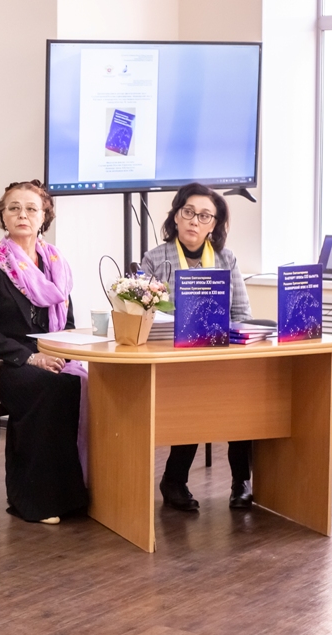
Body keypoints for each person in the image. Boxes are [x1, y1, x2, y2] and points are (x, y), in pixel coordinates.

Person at [0, 180, 88, 525]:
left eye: (31, 208)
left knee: (81, 382)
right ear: (2, 215)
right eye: (13, 208)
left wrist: (65, 355)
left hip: (44, 355)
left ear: (44, 216)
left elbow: (67, 325)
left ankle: (74, 495)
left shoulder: (55, 263)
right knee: (48, 387)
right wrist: (32, 358)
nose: (22, 215)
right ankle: (32, 501)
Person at [140, 182, 254, 512]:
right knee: (191, 400)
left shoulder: (225, 258)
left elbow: (241, 314)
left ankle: (241, 482)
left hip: (219, 354)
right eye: (188, 212)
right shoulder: (155, 259)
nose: (194, 221)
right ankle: (174, 480)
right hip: (173, 356)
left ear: (214, 224)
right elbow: (141, 314)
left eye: (205, 216)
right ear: (176, 216)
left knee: (242, 401)